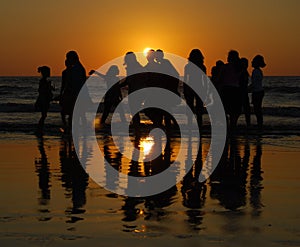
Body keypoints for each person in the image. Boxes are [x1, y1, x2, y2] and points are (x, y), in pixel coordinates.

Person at [218, 50, 242, 131]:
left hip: (226, 89)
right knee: (234, 111)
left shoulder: (225, 67)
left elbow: (220, 79)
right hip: (236, 90)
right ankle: (233, 127)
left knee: (225, 109)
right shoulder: (239, 68)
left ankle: (227, 127)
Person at [121, 51, 146, 127]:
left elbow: (129, 79)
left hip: (136, 91)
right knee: (134, 110)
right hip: (136, 90)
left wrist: (119, 85)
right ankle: (136, 125)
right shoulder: (136, 66)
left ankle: (137, 125)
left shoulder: (134, 67)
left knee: (134, 109)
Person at [183, 49, 206, 128]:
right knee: (199, 109)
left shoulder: (188, 66)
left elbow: (185, 79)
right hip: (199, 87)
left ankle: (190, 125)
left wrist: (184, 89)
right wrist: (206, 90)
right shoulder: (202, 66)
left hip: (190, 87)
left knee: (190, 107)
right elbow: (205, 80)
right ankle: (199, 126)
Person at [249, 55, 266, 128]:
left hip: (257, 92)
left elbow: (255, 83)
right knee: (258, 108)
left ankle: (260, 124)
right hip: (259, 91)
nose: (251, 62)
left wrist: (247, 89)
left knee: (257, 109)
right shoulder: (259, 71)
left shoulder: (255, 71)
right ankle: (260, 123)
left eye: (253, 61)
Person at [35, 66, 53, 131]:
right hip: (44, 100)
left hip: (44, 99)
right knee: (44, 115)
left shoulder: (44, 81)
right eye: (48, 72)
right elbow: (41, 90)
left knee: (44, 115)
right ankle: (39, 128)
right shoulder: (43, 81)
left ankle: (40, 128)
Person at [239, 57, 251, 127]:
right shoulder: (242, 72)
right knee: (245, 109)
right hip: (241, 92)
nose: (247, 65)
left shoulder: (245, 72)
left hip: (244, 92)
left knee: (246, 109)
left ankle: (248, 123)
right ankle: (248, 124)